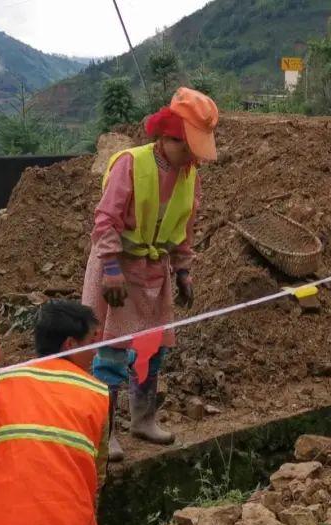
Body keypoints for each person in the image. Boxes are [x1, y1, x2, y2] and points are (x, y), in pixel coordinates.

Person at [82, 87, 218, 462]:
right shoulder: (130, 163)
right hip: (118, 268)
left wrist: (184, 270)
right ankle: (104, 431)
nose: (191, 156)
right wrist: (111, 268)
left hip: (154, 269)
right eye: (186, 146)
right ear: (166, 136)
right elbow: (105, 220)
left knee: (150, 347)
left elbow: (185, 227)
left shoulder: (189, 174)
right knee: (110, 351)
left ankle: (142, 418)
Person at [0, 301, 110, 525]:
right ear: (70, 344)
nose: (96, 350)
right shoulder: (97, 395)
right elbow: (98, 478)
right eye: (92, 341)